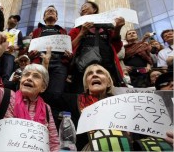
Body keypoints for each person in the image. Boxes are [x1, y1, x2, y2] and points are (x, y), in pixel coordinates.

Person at [42, 63, 173, 151]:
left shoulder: (129, 102)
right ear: (86, 84)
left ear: (109, 81)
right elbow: (45, 98)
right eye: (89, 74)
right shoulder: (72, 100)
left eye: (100, 72)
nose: (94, 75)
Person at [0, 32, 59, 151]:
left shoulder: (46, 109)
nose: (29, 78)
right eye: (26, 75)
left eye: (36, 76)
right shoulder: (4, 96)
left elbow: (53, 143)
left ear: (43, 88)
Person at [69, 1, 125, 93]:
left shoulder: (107, 28)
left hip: (108, 67)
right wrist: (82, 33)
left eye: (86, 6)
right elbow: (69, 48)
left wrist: (118, 28)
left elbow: (116, 47)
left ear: (94, 9)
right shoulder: (76, 28)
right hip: (82, 69)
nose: (83, 8)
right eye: (82, 8)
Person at [28, 5, 72, 95]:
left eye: (53, 11)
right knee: (37, 89)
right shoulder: (37, 31)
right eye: (48, 11)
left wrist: (68, 55)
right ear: (44, 17)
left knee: (56, 92)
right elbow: (29, 50)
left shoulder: (62, 31)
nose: (51, 11)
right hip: (40, 62)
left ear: (56, 18)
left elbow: (68, 49)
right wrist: (31, 54)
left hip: (59, 64)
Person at [0, 15, 23, 84]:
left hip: (10, 55)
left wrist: (15, 47)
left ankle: (4, 89)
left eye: (17, 20)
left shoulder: (18, 32)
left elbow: (21, 45)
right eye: (14, 18)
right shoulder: (2, 31)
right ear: (8, 19)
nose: (15, 20)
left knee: (6, 73)